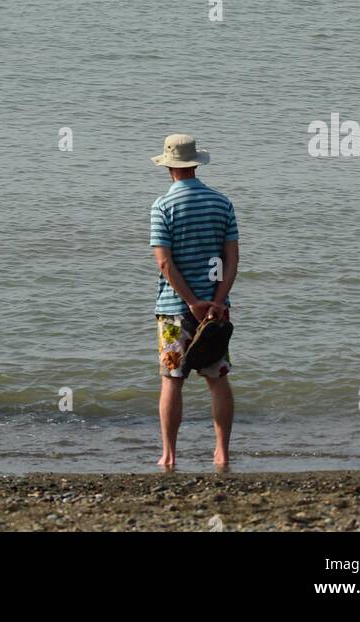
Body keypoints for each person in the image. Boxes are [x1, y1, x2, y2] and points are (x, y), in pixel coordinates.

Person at [149, 133, 239, 470]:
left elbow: (164, 263)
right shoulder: (222, 203)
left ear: (169, 166)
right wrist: (215, 301)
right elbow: (231, 259)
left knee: (172, 379)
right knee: (218, 379)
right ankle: (222, 453)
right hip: (216, 311)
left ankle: (169, 455)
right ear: (195, 164)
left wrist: (190, 302)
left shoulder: (163, 206)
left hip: (175, 309)